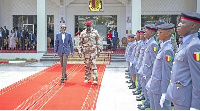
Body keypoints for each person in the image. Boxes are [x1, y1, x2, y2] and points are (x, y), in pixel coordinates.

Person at [165, 12, 200, 110]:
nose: (178, 25)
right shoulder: (185, 43)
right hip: (179, 96)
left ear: (192, 25)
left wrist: (196, 106)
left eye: (182, 22)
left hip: (185, 100)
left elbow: (197, 78)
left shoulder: (194, 45)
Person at [146, 23, 175, 110]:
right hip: (155, 85)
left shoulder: (168, 50)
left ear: (167, 33)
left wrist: (164, 92)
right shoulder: (163, 47)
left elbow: (166, 72)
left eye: (160, 32)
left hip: (160, 87)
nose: (157, 34)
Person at [137, 24, 159, 110]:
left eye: (146, 32)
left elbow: (154, 61)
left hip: (149, 71)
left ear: (151, 32)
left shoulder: (153, 44)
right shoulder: (148, 42)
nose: (144, 33)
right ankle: (147, 101)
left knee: (149, 90)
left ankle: (148, 103)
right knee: (144, 86)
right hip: (145, 69)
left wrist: (153, 74)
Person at [78, 20, 102, 84]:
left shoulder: (95, 32)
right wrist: (79, 51)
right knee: (87, 65)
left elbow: (98, 41)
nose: (88, 27)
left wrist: (99, 50)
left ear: (91, 26)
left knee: (94, 64)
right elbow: (80, 43)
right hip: (86, 51)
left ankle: (95, 79)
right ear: (85, 26)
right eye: (87, 26)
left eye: (89, 26)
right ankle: (87, 78)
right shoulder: (83, 33)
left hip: (93, 51)